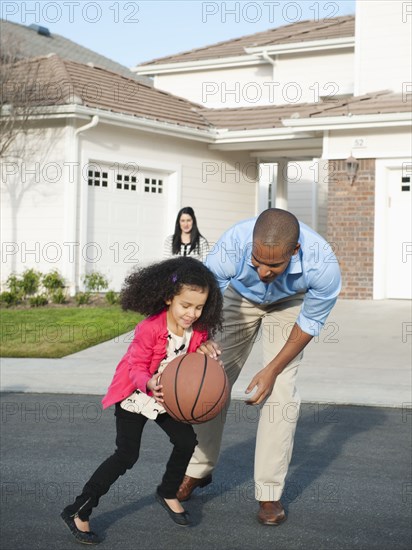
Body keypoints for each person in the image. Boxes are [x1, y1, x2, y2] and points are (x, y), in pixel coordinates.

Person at [176, 208, 341, 526]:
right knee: (211, 377)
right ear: (250, 244)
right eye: (258, 261)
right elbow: (204, 297)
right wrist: (200, 342)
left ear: (294, 251)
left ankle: (269, 492)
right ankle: (198, 468)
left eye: (274, 264)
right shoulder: (233, 244)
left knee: (280, 393)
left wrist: (273, 370)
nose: (264, 271)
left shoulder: (323, 265)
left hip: (291, 302)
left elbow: (309, 323)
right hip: (239, 297)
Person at [61, 257, 223, 544]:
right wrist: (147, 381)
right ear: (169, 298)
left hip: (166, 397)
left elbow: (193, 359)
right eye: (186, 306)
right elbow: (136, 366)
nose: (192, 313)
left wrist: (207, 348)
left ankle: (168, 490)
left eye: (199, 307)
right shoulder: (149, 328)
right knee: (126, 455)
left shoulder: (198, 330)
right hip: (135, 394)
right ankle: (79, 511)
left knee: (186, 442)